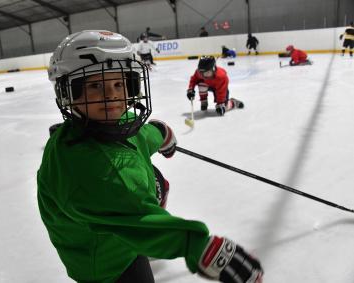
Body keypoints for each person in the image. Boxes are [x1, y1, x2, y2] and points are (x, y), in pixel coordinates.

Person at [38, 30, 263, 283]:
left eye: (120, 84)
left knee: (155, 182)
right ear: (68, 93)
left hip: (114, 230)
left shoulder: (106, 122)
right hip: (107, 265)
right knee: (139, 203)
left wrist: (161, 133)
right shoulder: (93, 171)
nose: (112, 94)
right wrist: (198, 247)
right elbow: (136, 217)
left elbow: (138, 134)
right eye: (95, 85)